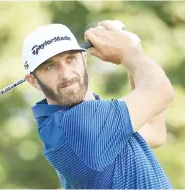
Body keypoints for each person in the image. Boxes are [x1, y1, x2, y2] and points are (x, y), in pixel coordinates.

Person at [21, 20, 174, 188]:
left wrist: (133, 53)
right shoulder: (79, 123)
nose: (65, 74)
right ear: (33, 80)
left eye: (70, 59)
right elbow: (161, 90)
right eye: (50, 66)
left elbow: (154, 131)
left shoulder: (61, 125)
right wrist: (130, 50)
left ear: (84, 59)